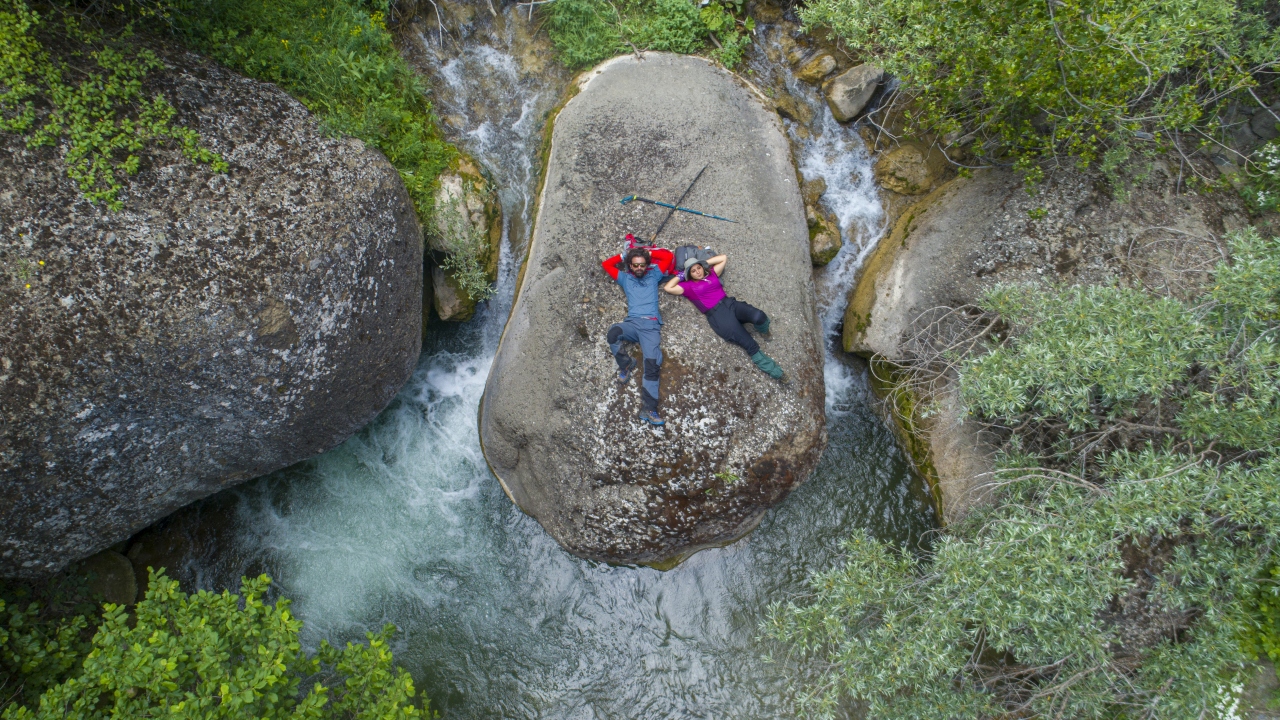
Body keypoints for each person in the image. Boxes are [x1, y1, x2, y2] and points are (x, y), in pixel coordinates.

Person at [663, 252, 784, 379]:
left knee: (759, 316)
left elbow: (723, 258)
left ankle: (764, 331)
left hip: (730, 303)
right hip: (718, 315)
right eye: (693, 271)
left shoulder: (712, 274)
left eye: (698, 268)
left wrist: (704, 263)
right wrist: (682, 275)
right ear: (689, 274)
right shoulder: (688, 286)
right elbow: (668, 287)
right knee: (750, 344)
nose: (698, 272)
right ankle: (777, 373)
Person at [601, 238, 675, 426]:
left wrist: (646, 252)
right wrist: (625, 254)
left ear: (647, 265)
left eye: (642, 264)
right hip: (632, 324)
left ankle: (648, 409)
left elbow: (668, 256)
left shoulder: (655, 275)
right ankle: (627, 364)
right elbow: (606, 264)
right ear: (630, 266)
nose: (639, 268)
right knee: (612, 333)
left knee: (652, 364)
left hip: (650, 327)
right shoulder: (625, 278)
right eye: (635, 265)